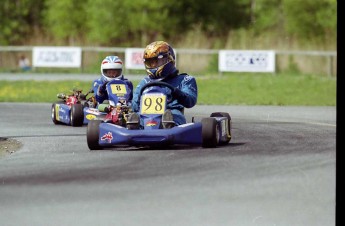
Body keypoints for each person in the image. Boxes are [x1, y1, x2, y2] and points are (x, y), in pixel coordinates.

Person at [127, 41, 198, 129]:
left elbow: (190, 101)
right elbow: (134, 106)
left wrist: (176, 92)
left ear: (169, 59)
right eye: (150, 62)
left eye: (157, 61)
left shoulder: (184, 79)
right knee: (137, 116)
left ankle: (169, 125)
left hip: (171, 111)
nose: (153, 65)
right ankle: (134, 126)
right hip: (145, 114)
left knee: (174, 116)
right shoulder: (145, 82)